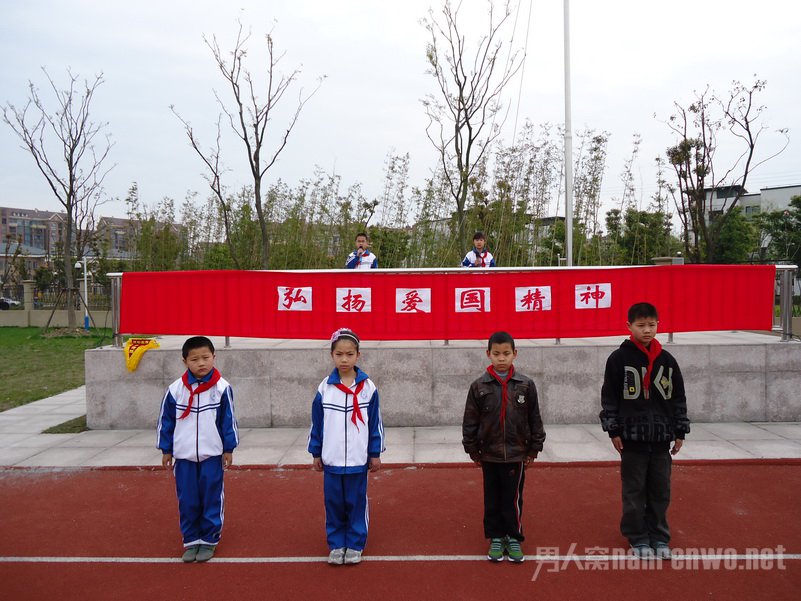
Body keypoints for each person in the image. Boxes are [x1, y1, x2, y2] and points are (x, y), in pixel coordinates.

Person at [600, 302, 690, 560]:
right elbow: (609, 398)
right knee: (634, 491)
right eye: (641, 326)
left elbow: (678, 398)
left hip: (661, 440)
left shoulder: (667, 361)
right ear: (629, 326)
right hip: (632, 440)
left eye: (651, 325)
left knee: (661, 491)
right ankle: (637, 537)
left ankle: (659, 537)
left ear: (658, 325)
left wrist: (680, 430)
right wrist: (613, 430)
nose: (647, 330)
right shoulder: (618, 359)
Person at [462, 331, 545, 563]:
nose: (501, 358)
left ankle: (514, 537)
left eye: (506, 353)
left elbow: (534, 418)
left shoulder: (526, 385)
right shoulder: (478, 386)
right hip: (489, 454)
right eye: (496, 354)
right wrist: (472, 450)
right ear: (488, 354)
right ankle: (496, 537)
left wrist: (534, 448)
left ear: (514, 354)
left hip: (516, 454)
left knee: (512, 498)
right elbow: (470, 420)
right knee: (492, 498)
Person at [157, 336, 239, 563]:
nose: (201, 363)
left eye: (205, 357)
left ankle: (210, 540)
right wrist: (166, 449)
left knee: (212, 497)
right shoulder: (175, 390)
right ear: (184, 361)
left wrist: (228, 448)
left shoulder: (222, 389)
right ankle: (191, 539)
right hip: (183, 458)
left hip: (211, 455)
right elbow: (166, 422)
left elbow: (228, 421)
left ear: (214, 357)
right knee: (188, 499)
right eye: (194, 359)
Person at [308, 328, 385, 565]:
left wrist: (374, 453)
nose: (344, 359)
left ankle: (355, 543)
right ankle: (336, 543)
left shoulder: (368, 388)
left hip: (357, 460)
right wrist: (316, 451)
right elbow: (317, 423)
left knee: (355, 502)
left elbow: (376, 424)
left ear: (358, 356)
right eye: (339, 354)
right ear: (332, 355)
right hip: (331, 460)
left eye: (349, 354)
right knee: (333, 503)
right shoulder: (325, 388)